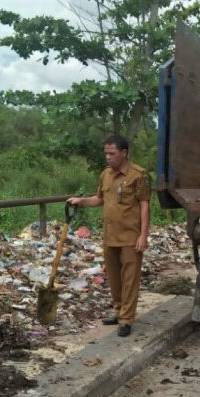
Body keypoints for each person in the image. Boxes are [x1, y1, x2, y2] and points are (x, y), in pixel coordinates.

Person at [68, 135, 150, 337]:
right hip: (110, 235)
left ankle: (126, 319)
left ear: (124, 153)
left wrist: (143, 235)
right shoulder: (105, 175)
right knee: (114, 277)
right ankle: (118, 308)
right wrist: (81, 200)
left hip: (131, 236)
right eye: (106, 153)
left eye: (112, 153)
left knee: (130, 278)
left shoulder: (138, 175)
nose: (108, 157)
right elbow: (99, 199)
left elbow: (144, 205)